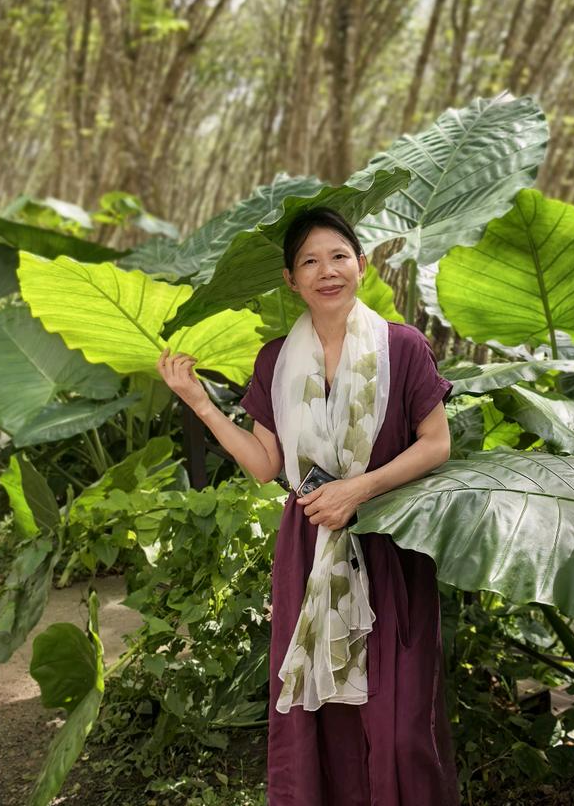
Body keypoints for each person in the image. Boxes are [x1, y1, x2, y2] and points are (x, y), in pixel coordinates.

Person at [157, 207, 460, 805]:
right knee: (322, 723)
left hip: (388, 542)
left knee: (398, 728)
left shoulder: (403, 346)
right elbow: (267, 463)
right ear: (291, 281)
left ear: (361, 265)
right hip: (312, 543)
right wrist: (201, 402)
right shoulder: (275, 360)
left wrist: (358, 488)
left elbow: (437, 443)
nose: (328, 271)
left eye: (339, 256)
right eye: (310, 261)